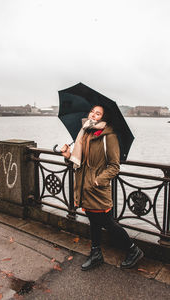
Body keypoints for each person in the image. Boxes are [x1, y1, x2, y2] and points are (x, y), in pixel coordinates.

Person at [61, 105, 143, 271]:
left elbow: (114, 165)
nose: (93, 114)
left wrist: (98, 181)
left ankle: (133, 250)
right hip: (84, 188)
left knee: (107, 223)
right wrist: (68, 156)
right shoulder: (84, 133)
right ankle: (96, 253)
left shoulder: (108, 136)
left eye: (98, 113)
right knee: (94, 222)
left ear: (103, 118)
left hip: (97, 189)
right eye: (92, 111)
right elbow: (80, 163)